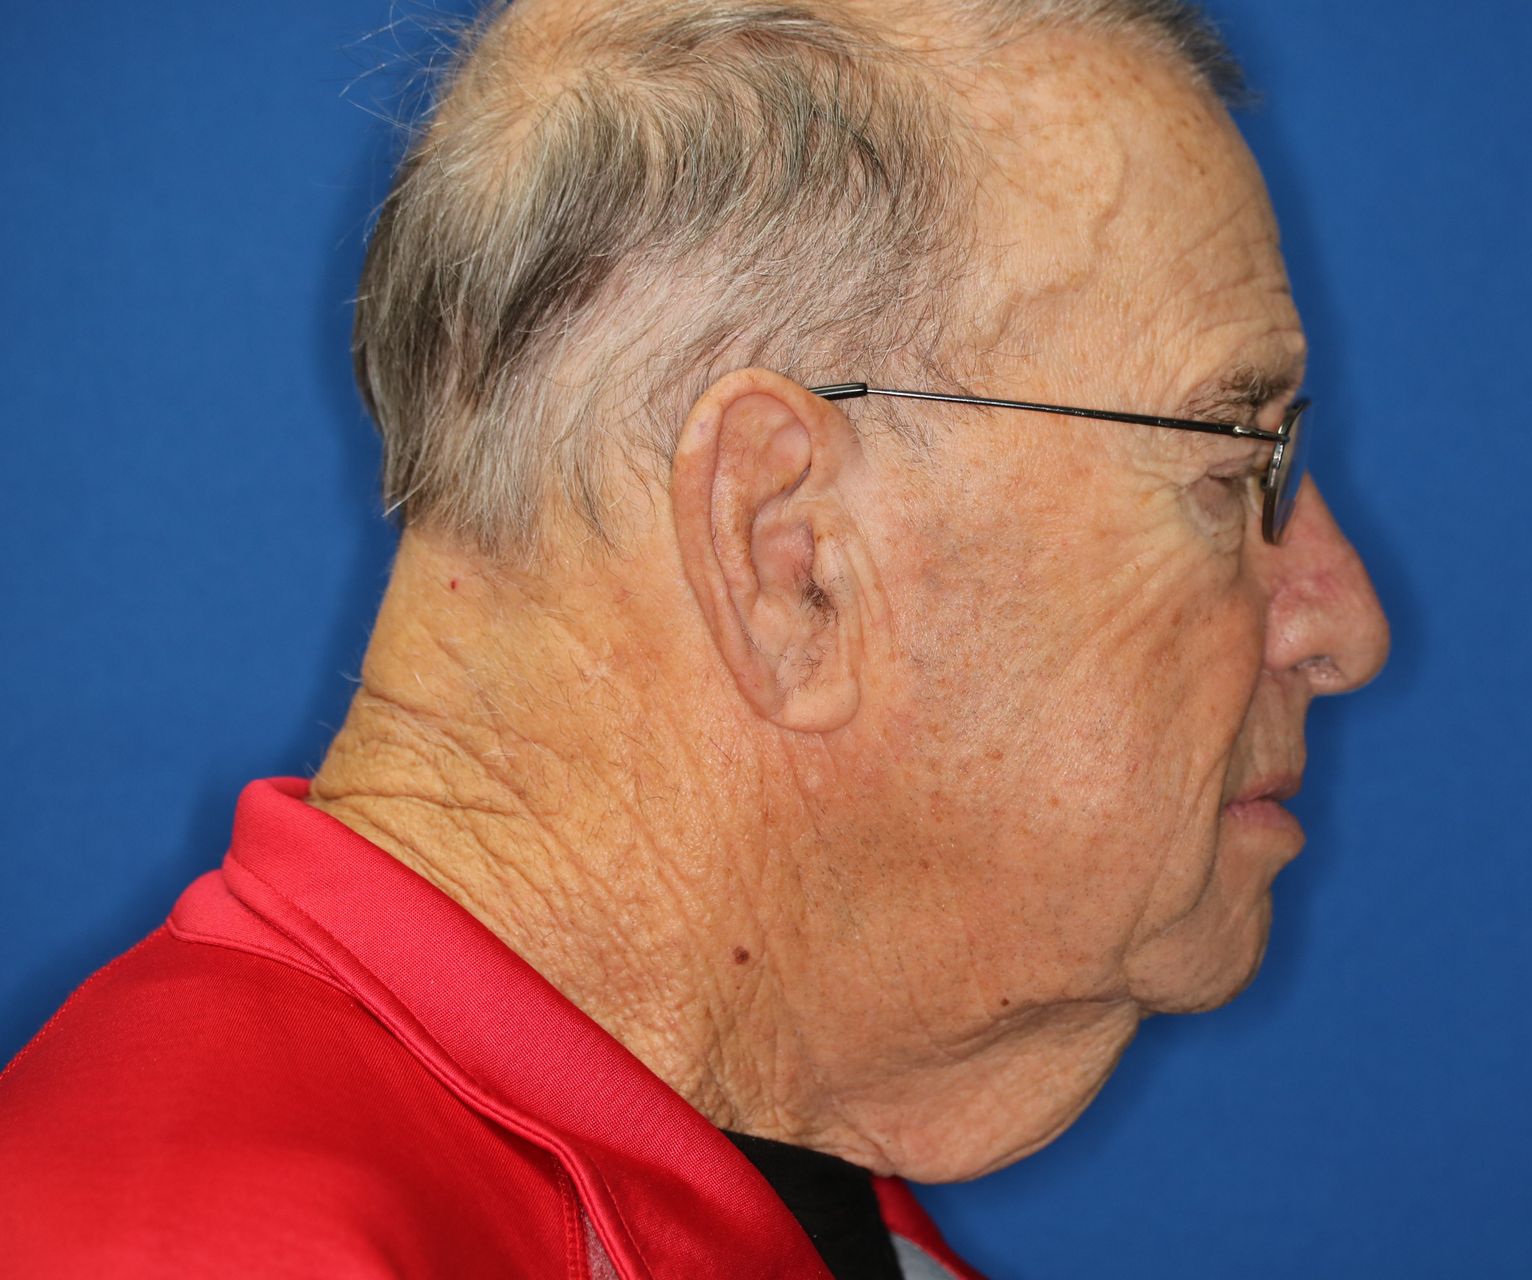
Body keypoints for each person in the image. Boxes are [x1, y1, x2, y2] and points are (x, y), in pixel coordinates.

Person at [0, 0, 1389, 1275]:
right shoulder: (190, 1245)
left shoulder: (776, 1206)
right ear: (785, 558)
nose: (1346, 624)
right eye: (1233, 465)